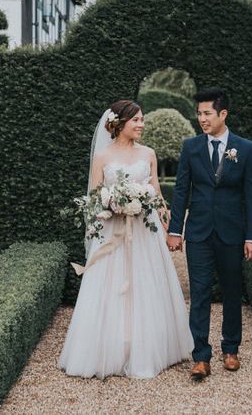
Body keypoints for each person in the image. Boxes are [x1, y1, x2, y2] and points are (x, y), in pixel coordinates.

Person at [58, 100, 193, 378]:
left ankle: (149, 346)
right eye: (137, 120)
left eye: (142, 119)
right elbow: (94, 198)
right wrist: (111, 205)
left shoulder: (149, 153)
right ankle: (110, 348)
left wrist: (167, 224)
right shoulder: (102, 158)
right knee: (111, 285)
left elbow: (155, 192)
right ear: (120, 124)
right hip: (113, 231)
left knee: (147, 284)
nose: (142, 124)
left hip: (145, 232)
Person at [167, 87, 252, 381]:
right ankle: (201, 356)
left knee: (232, 292)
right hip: (199, 233)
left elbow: (251, 196)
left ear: (223, 114)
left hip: (232, 233)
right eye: (199, 113)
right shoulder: (190, 147)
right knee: (200, 293)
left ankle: (230, 349)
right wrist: (175, 230)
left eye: (207, 113)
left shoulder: (244, 149)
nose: (201, 119)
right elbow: (181, 191)